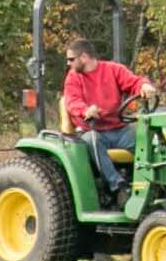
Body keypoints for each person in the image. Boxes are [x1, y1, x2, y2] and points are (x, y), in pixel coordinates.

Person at [63, 38, 157, 204]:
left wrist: (144, 86)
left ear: (84, 57)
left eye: (71, 59)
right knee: (91, 140)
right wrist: (86, 110)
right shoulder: (73, 78)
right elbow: (71, 102)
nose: (68, 63)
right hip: (91, 130)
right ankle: (119, 187)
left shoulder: (113, 70)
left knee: (148, 145)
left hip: (118, 129)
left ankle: (155, 187)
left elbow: (134, 81)